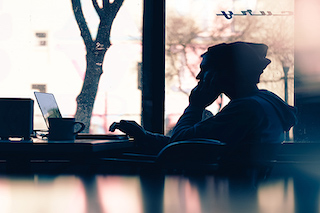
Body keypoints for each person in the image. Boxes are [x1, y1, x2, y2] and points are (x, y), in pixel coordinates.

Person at [109, 41, 297, 155]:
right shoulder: (263, 102)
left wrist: (195, 106)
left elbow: (180, 146)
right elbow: (194, 142)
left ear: (227, 72)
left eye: (205, 69)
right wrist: (145, 136)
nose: (199, 77)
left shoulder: (245, 109)